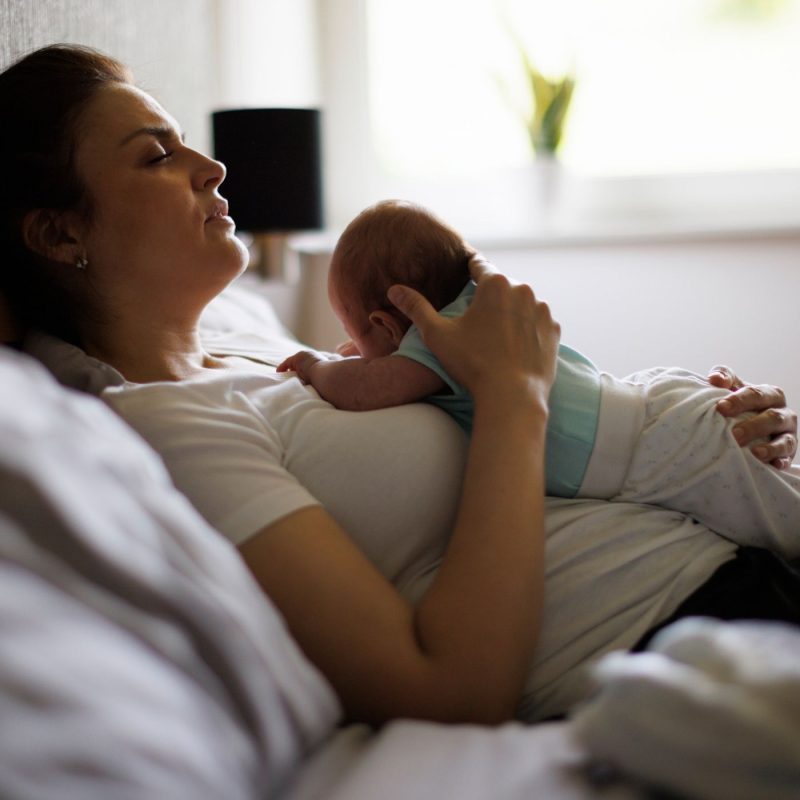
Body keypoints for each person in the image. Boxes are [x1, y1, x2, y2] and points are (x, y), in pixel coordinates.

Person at [1, 43, 798, 726]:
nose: (210, 167)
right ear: (60, 232)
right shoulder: (170, 427)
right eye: (156, 155)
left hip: (734, 564)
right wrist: (515, 395)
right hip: (678, 633)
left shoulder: (245, 350)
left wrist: (694, 423)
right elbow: (445, 688)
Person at [278, 199, 800, 559]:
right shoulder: (479, 311)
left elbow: (369, 388)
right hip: (652, 405)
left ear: (385, 325)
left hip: (655, 445)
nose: (359, 355)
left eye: (357, 337)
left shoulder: (436, 343)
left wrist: (316, 365)